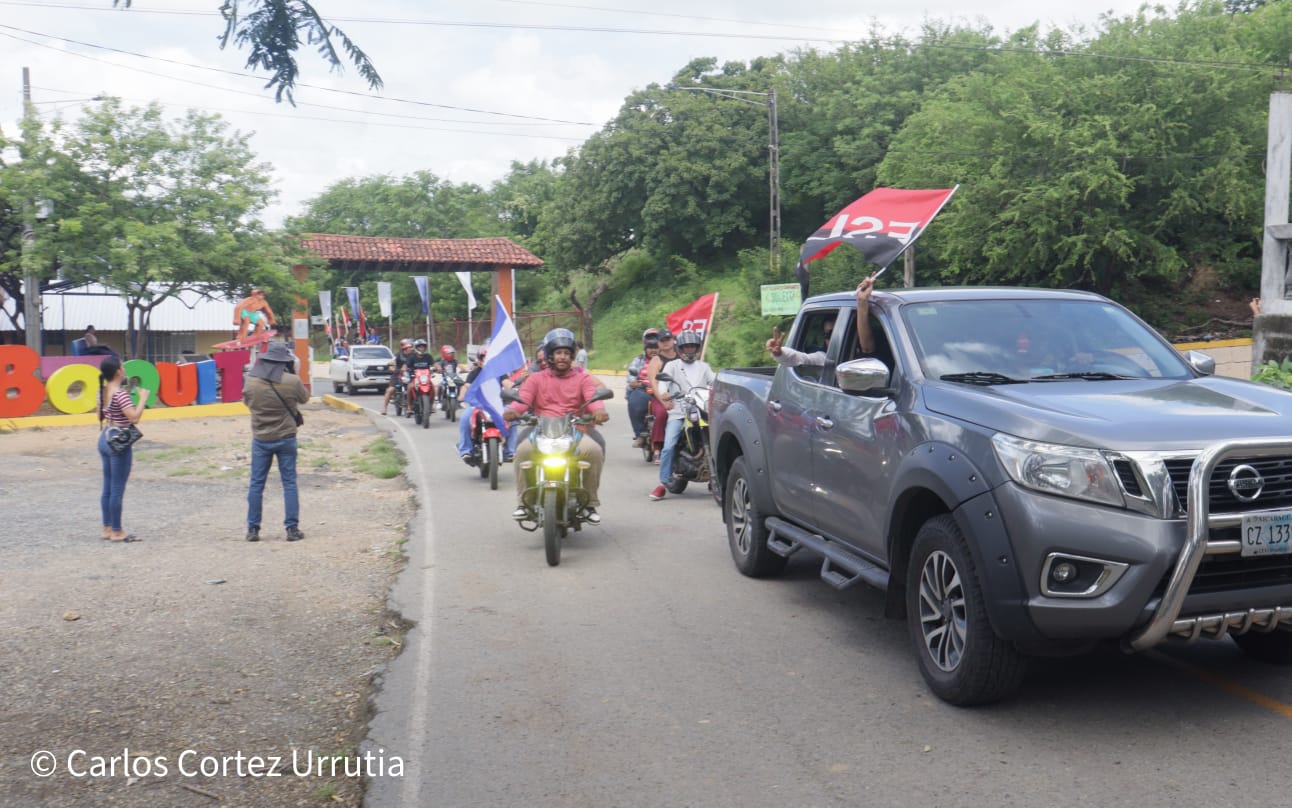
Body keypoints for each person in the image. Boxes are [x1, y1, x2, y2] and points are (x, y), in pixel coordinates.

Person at [505, 328, 609, 524]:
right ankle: (523, 502)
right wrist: (513, 411)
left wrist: (599, 411)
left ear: (572, 356)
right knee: (521, 452)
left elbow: (592, 398)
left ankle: (590, 504)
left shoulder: (582, 378)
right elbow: (523, 399)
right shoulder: (536, 378)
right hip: (541, 429)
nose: (562, 357)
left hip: (574, 430)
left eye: (567, 353)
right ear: (550, 355)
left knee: (594, 450)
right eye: (558, 353)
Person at [242, 341, 309, 542]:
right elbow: (304, 399)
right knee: (289, 483)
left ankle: (253, 530)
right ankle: (292, 529)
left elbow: (248, 403)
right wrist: (294, 372)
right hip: (286, 437)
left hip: (261, 438)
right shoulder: (292, 381)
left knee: (256, 484)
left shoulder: (250, 381)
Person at [650, 329, 715, 500]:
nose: (690, 350)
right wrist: (664, 394)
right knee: (669, 445)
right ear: (680, 348)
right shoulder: (672, 366)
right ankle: (662, 483)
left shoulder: (704, 367)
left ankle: (718, 476)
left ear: (698, 348)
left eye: (693, 347)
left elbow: (714, 382)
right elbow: (663, 383)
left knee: (719, 440)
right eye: (686, 347)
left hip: (702, 410)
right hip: (679, 411)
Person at [766, 276, 876, 367]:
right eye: (827, 334)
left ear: (852, 331)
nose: (832, 339)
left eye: (834, 333)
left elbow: (867, 348)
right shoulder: (824, 358)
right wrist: (780, 353)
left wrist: (862, 303)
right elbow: (800, 358)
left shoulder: (871, 358)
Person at [98, 356, 149, 542]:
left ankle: (107, 527)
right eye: (122, 366)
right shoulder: (121, 394)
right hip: (119, 442)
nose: (124, 368)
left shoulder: (103, 391)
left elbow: (102, 415)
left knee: (108, 486)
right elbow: (134, 418)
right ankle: (118, 531)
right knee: (117, 487)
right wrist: (143, 399)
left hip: (105, 438)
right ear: (118, 371)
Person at [645, 329, 678, 459]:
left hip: (682, 396)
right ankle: (658, 446)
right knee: (663, 413)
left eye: (667, 339)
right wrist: (664, 401)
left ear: (673, 340)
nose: (665, 343)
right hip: (661, 397)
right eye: (662, 340)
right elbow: (654, 383)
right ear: (658, 343)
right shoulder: (656, 361)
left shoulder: (682, 357)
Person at [626, 333, 660, 447]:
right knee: (634, 403)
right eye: (650, 348)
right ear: (645, 348)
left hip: (661, 391)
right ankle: (640, 434)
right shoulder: (639, 360)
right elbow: (631, 374)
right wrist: (633, 382)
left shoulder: (663, 360)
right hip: (643, 389)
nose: (653, 350)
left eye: (656, 347)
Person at [382, 338, 414, 416]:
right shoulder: (398, 355)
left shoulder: (414, 355)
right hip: (398, 374)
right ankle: (384, 408)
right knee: (390, 390)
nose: (410, 348)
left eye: (410, 346)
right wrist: (392, 368)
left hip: (410, 374)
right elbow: (391, 363)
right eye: (408, 347)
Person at [405, 338, 436, 413]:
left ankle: (431, 405)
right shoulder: (412, 356)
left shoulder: (428, 356)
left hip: (425, 378)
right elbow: (406, 366)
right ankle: (409, 406)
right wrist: (405, 369)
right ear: (416, 347)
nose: (421, 348)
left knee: (433, 388)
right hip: (415, 377)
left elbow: (434, 364)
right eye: (420, 347)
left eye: (423, 347)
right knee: (410, 387)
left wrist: (438, 368)